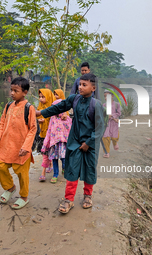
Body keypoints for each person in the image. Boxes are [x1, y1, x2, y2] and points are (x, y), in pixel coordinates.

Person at [36, 73, 105, 214]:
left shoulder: (96, 105)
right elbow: (58, 107)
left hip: (90, 144)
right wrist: (41, 112)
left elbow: (100, 128)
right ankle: (68, 199)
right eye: (79, 84)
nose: (80, 87)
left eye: (84, 85)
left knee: (90, 170)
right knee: (71, 170)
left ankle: (87, 196)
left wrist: (89, 142)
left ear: (93, 88)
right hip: (74, 142)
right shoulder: (74, 99)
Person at [0, 77, 37, 209]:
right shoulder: (8, 106)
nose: (12, 93)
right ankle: (10, 188)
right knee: (1, 167)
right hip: (6, 146)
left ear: (25, 92)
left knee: (22, 174)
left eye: (15, 91)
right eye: (11, 90)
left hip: (21, 148)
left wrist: (26, 146)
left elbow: (33, 129)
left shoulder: (29, 108)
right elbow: (2, 123)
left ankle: (24, 196)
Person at [41, 94, 72, 183]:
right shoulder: (52, 118)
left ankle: (64, 169)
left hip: (63, 143)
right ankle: (55, 175)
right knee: (54, 159)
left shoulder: (67, 119)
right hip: (53, 143)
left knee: (63, 159)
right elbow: (49, 131)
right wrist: (45, 143)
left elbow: (70, 129)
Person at [37, 89, 56, 181]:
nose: (40, 99)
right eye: (40, 97)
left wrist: (46, 120)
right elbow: (36, 116)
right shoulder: (40, 106)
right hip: (42, 133)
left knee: (46, 152)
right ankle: (50, 164)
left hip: (51, 135)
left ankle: (43, 172)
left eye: (43, 97)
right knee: (44, 152)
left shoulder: (53, 108)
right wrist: (39, 120)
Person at [102, 90, 121, 158]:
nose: (105, 98)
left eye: (107, 96)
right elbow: (102, 113)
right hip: (106, 123)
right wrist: (106, 116)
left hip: (114, 123)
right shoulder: (104, 105)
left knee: (114, 136)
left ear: (112, 96)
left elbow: (119, 113)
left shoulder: (117, 104)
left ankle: (115, 142)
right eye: (104, 96)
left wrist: (112, 116)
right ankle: (106, 152)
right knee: (105, 136)